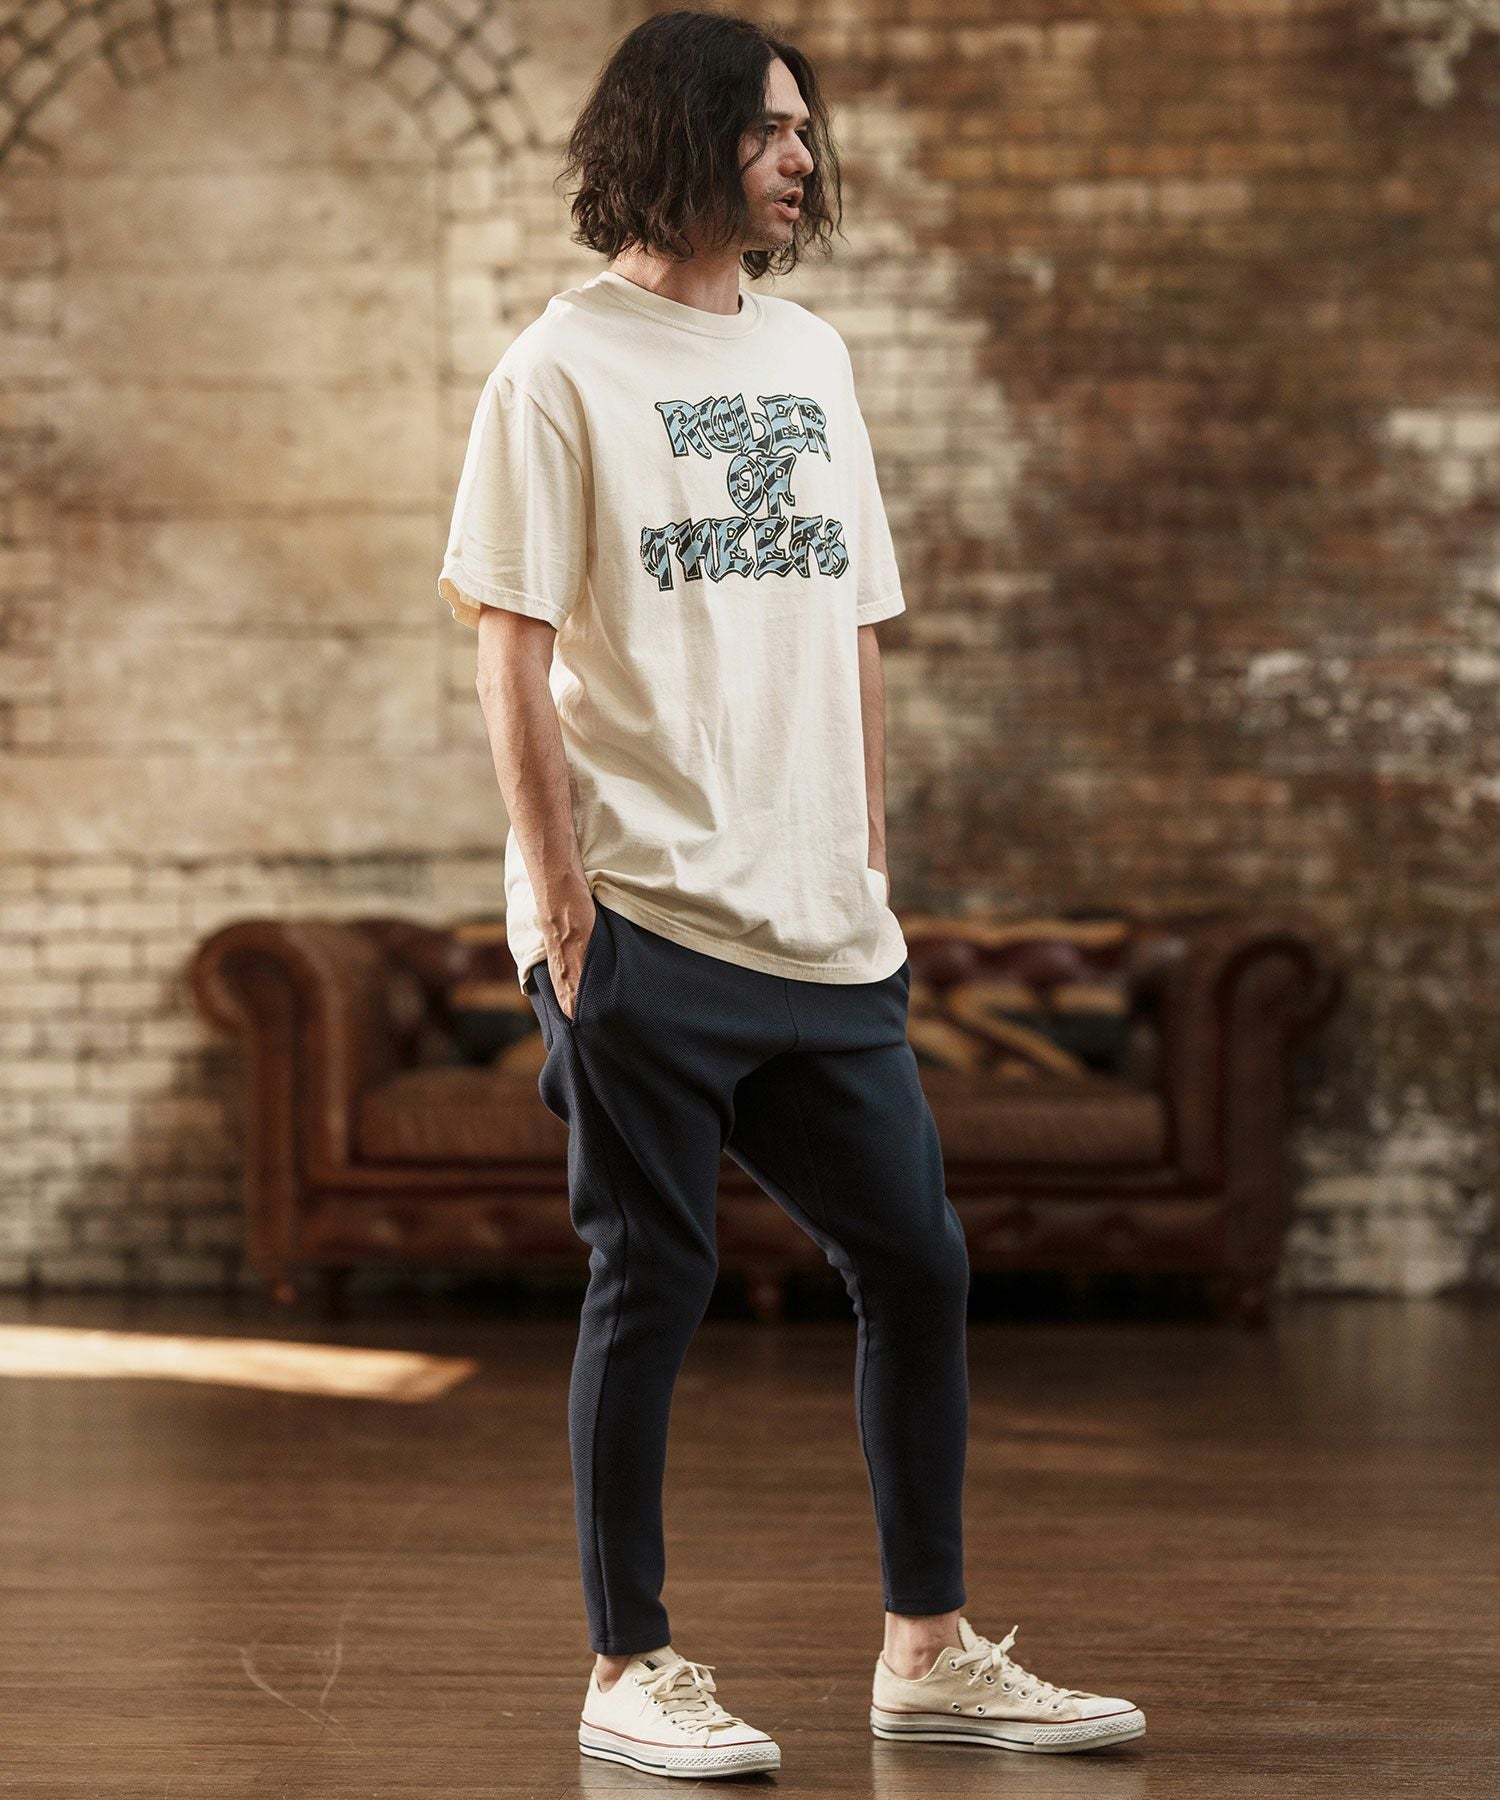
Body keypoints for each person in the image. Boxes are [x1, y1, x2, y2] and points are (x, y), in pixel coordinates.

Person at [438, 7, 1145, 1780]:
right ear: (678, 137)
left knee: (917, 1260)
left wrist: (868, 854)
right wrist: (564, 906)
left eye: (802, 132)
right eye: (768, 129)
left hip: (823, 921)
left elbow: (854, 625)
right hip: (644, 914)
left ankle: (928, 1653)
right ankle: (628, 1667)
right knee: (653, 1278)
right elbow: (508, 650)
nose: (800, 158)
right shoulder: (558, 371)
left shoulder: (815, 354)